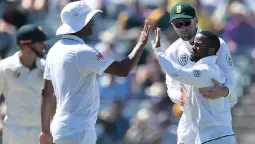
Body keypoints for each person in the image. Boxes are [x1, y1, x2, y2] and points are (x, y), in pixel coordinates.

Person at [39, 1, 150, 144]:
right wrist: (141, 44)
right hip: (78, 131)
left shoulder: (54, 51)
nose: (92, 22)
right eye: (89, 19)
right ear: (80, 23)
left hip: (59, 128)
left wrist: (45, 130)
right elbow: (123, 69)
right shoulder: (82, 51)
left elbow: (47, 93)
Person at [162, 2, 236, 144]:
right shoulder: (172, 52)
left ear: (196, 21)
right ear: (173, 26)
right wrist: (179, 96)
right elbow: (171, 86)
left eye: (186, 22)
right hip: (189, 122)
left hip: (216, 120)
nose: (182, 28)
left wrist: (224, 92)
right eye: (178, 24)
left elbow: (230, 76)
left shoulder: (217, 44)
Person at [0, 24, 47, 144]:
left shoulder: (47, 67)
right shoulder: (5, 67)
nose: (43, 45)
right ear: (25, 44)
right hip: (14, 131)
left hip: (40, 131)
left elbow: (53, 98)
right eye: (39, 42)